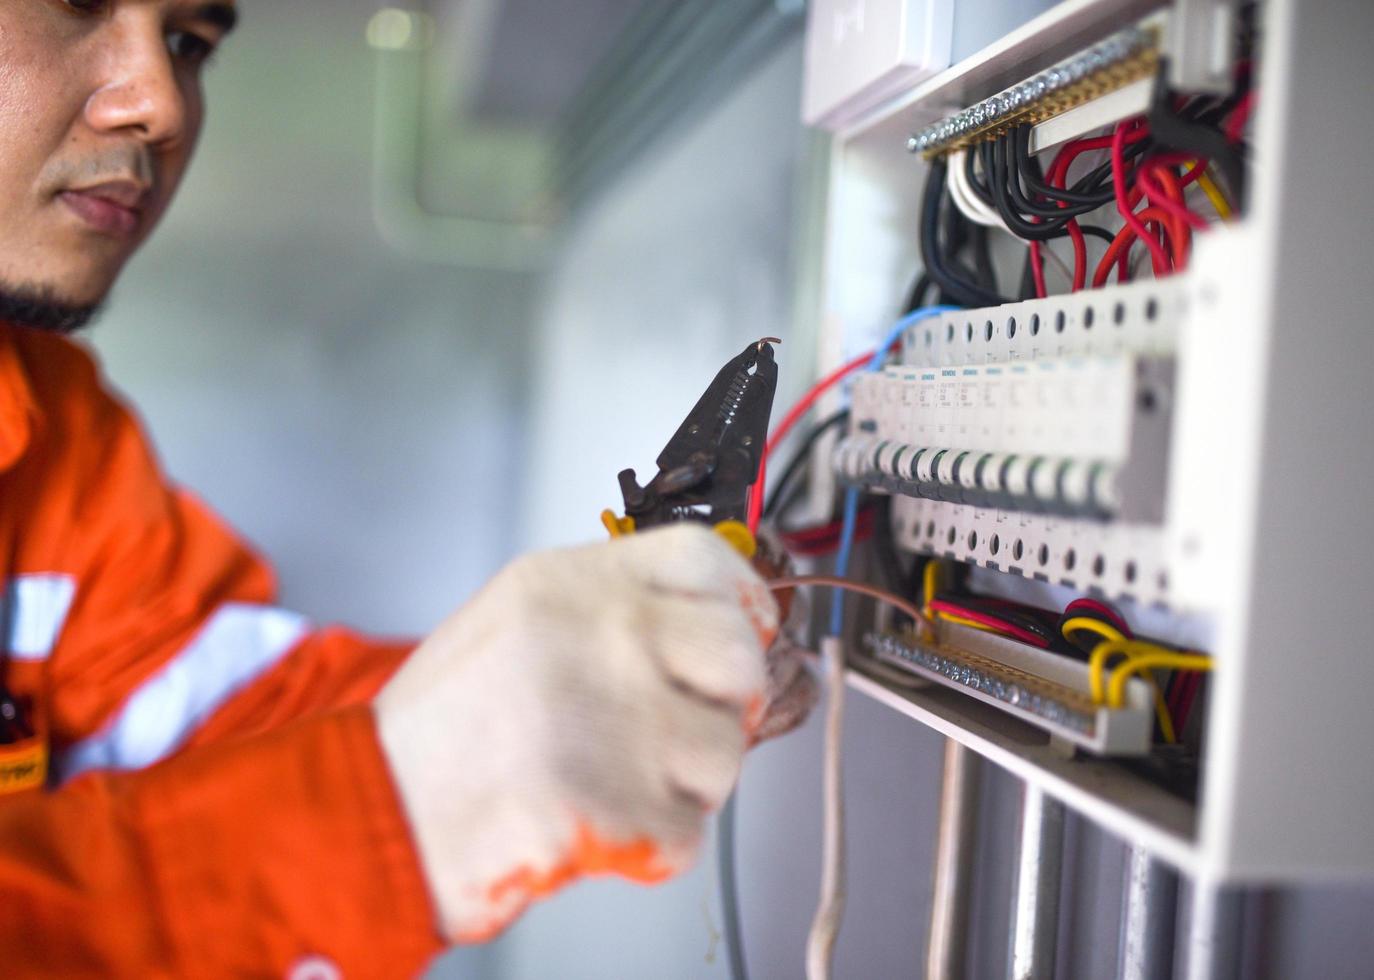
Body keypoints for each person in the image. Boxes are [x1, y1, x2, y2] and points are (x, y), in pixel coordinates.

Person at [0, 2, 808, 975]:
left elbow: (227, 713)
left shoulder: (49, 425)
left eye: (189, 45)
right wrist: (399, 805)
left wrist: (590, 672)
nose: (163, 105)